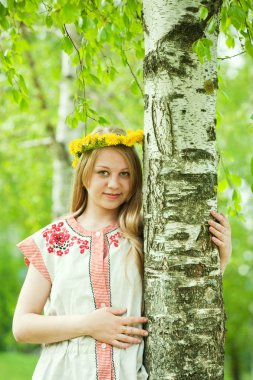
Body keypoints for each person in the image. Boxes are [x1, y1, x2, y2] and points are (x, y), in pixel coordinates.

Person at [12, 126, 232, 380]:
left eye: (124, 174)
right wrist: (87, 324)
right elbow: (22, 326)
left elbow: (182, 302)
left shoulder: (147, 236)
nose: (114, 184)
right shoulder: (53, 240)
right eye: (103, 172)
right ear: (85, 175)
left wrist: (219, 261)